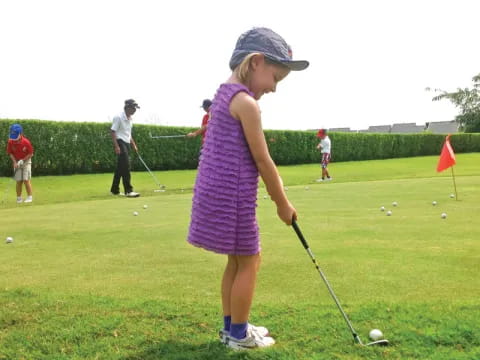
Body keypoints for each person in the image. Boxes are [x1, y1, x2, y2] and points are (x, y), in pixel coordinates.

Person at [187, 27, 309, 350]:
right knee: (250, 260)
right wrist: (282, 203)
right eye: (275, 78)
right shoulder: (247, 104)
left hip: (219, 193)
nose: (274, 88)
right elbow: (263, 160)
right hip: (234, 196)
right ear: (256, 62)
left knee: (236, 262)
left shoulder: (223, 95)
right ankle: (239, 335)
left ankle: (231, 329)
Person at [110, 99, 141, 197]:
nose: (135, 110)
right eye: (133, 108)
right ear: (127, 107)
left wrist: (134, 144)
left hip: (127, 143)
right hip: (120, 142)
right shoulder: (118, 117)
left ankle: (114, 190)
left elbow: (128, 134)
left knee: (120, 168)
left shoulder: (131, 119)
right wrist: (116, 146)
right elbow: (113, 131)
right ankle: (129, 190)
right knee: (126, 166)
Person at [6, 124, 34, 203]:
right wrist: (15, 162)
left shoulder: (26, 142)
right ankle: (19, 198)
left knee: (26, 179)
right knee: (19, 180)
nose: (14, 138)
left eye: (15, 135)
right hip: (16, 161)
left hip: (26, 162)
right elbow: (10, 153)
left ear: (20, 134)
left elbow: (31, 153)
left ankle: (29, 197)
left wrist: (23, 160)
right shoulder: (10, 141)